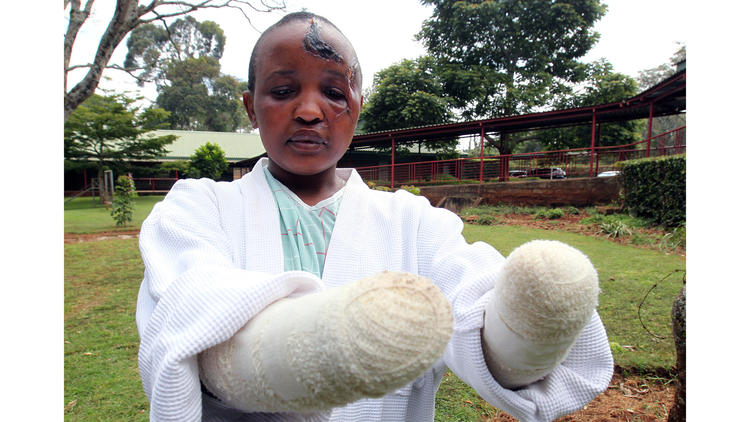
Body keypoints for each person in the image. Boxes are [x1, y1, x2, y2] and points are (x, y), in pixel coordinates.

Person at [135, 11, 613, 422]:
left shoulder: (414, 223)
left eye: (334, 93)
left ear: (358, 106)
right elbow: (189, 305)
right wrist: (329, 344)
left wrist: (519, 333)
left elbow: (471, 293)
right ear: (251, 107)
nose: (308, 111)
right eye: (282, 90)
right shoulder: (197, 207)